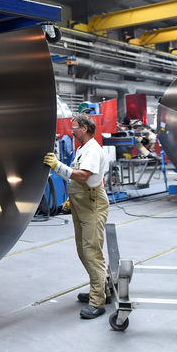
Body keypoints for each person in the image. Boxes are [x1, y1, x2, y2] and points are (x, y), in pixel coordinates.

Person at [44, 114, 111, 319]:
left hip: (92, 205)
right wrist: (72, 199)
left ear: (84, 128)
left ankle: (97, 301)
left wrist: (58, 166)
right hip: (82, 204)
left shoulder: (92, 149)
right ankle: (102, 289)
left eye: (74, 127)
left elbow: (83, 176)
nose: (71, 131)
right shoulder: (82, 148)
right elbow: (78, 175)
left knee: (92, 252)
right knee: (84, 251)